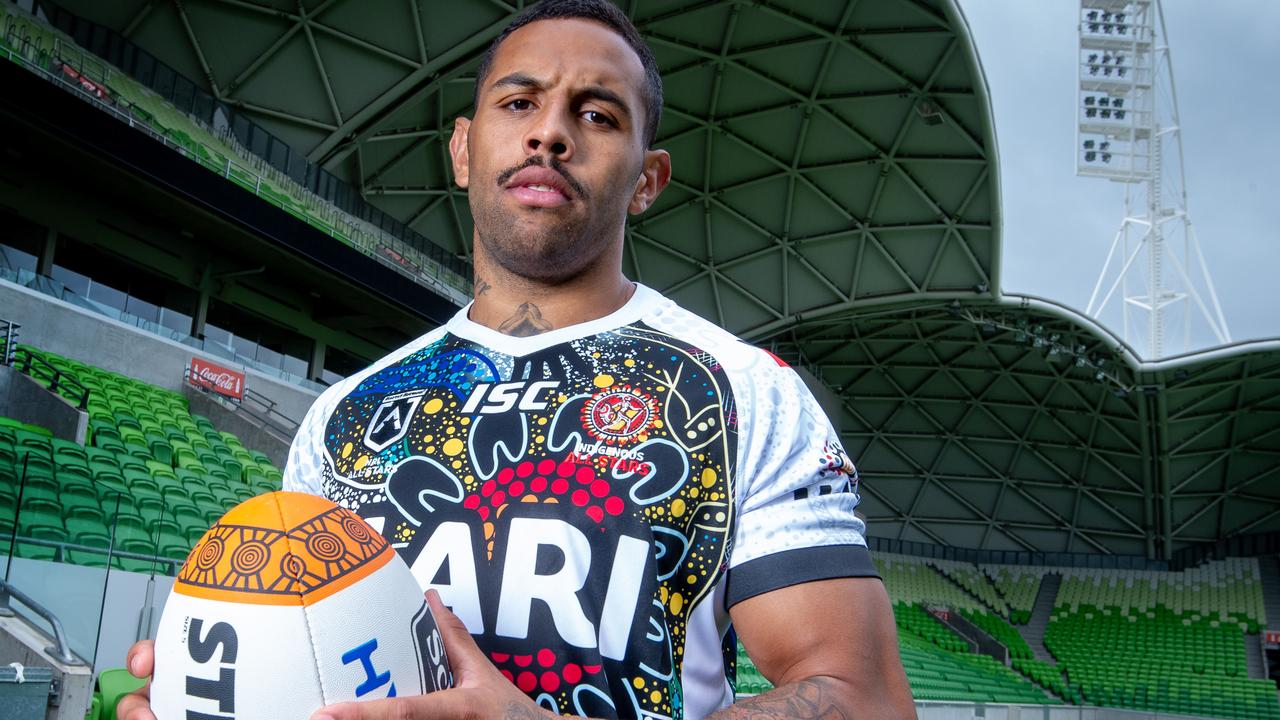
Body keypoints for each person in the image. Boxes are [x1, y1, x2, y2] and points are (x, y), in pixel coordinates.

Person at [119, 1, 914, 718]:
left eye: (597, 115)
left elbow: (867, 700)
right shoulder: (343, 417)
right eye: (519, 102)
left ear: (648, 179)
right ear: (464, 150)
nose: (550, 133)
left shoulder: (743, 395)